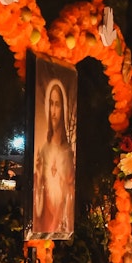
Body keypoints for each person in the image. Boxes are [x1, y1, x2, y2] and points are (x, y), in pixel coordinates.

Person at [32, 79, 75, 235]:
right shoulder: (43, 150)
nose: (53, 111)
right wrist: (38, 177)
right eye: (51, 103)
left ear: (62, 108)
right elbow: (38, 194)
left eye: (57, 104)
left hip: (60, 219)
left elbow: (70, 190)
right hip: (45, 218)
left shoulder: (67, 152)